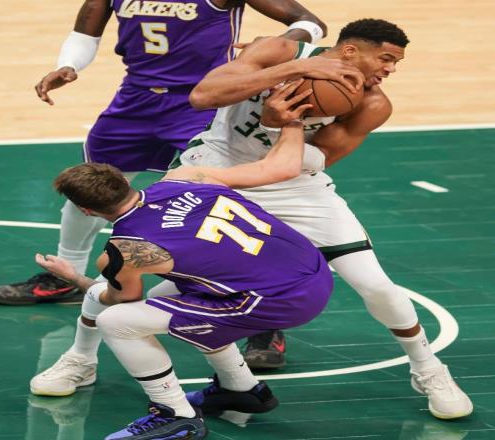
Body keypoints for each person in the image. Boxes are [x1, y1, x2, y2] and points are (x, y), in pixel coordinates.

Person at [175, 18, 473, 420]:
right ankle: (222, 379)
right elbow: (203, 96)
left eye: (396, 63)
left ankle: (429, 369)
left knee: (376, 285)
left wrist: (284, 124)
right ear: (349, 51)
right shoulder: (279, 52)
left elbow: (321, 158)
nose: (390, 70)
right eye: (385, 58)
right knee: (168, 281)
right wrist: (296, 69)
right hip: (216, 170)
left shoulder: (372, 104)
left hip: (293, 184)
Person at [0, 0, 357, 305]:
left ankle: (258, 307)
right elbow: (85, 34)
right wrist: (69, 65)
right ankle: (65, 276)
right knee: (88, 190)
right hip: (134, 99)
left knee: (225, 200)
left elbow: (310, 23)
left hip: (200, 103)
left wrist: (275, 47)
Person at [34, 116, 333, 439]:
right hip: (311, 268)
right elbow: (272, 169)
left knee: (117, 322)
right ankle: (241, 388)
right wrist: (291, 124)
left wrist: (74, 277)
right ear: (122, 181)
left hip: (280, 300)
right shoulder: (187, 177)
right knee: (168, 300)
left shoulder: (126, 249)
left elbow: (122, 301)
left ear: (86, 210)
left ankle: (174, 416)